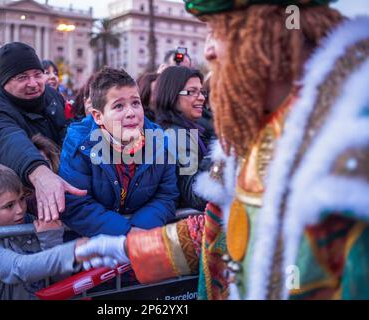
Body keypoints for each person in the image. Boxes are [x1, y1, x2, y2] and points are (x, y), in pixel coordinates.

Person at [76, 1, 369, 300]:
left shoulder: (353, 140)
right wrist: (133, 248)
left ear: (271, 33)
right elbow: (224, 235)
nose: (209, 51)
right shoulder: (254, 133)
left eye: (219, 31)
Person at [59, 67, 178, 236]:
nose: (131, 113)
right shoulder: (79, 144)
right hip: (93, 247)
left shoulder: (161, 142)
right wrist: (125, 232)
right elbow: (76, 204)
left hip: (143, 241)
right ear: (98, 116)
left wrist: (140, 231)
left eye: (135, 103)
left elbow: (166, 196)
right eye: (119, 106)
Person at [0, 42, 86, 223]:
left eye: (38, 75)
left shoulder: (52, 95)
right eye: (22, 77)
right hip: (25, 205)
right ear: (4, 82)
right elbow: (8, 140)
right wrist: (40, 173)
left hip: (68, 189)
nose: (33, 83)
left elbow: (68, 131)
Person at [0, 163, 91, 300]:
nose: (20, 209)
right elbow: (19, 269)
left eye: (22, 199)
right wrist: (71, 251)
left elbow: (60, 280)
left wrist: (51, 240)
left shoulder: (35, 222)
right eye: (9, 206)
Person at [154, 66, 212, 211]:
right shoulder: (176, 135)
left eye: (201, 92)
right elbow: (195, 196)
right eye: (192, 92)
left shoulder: (187, 129)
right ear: (171, 95)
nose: (201, 98)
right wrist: (217, 148)